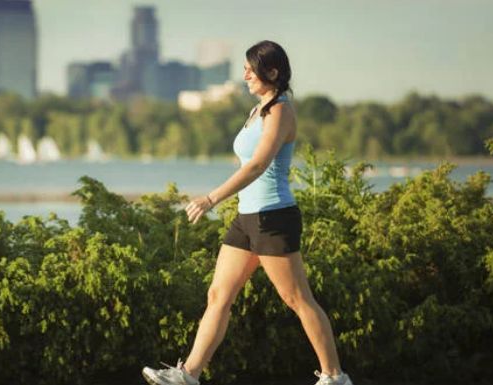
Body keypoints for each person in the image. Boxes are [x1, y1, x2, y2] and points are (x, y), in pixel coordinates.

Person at [141, 40, 353, 385]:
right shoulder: (257, 111)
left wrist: (211, 199)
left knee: (297, 298)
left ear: (272, 72)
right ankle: (187, 375)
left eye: (250, 70)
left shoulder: (281, 111)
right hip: (247, 218)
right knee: (218, 295)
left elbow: (257, 165)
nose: (244, 76)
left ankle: (334, 377)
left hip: (273, 216)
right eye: (244, 69)